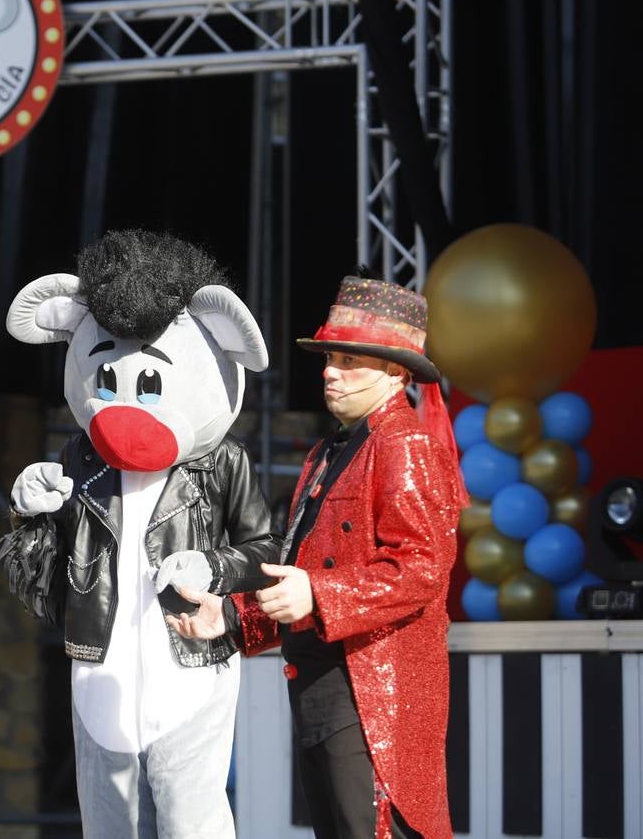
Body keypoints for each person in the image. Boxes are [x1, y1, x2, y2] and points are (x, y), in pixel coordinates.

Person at [0, 230, 278, 838]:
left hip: (191, 659)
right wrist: (30, 516)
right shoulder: (80, 457)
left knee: (189, 817)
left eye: (148, 386)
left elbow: (267, 550)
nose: (124, 408)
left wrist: (213, 568)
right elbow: (43, 580)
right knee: (109, 823)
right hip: (100, 663)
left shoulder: (222, 463)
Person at [165, 274, 467, 839]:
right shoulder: (330, 451)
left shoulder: (404, 444)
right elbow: (301, 572)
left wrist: (319, 593)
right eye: (331, 356)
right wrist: (231, 618)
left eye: (351, 360)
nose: (330, 371)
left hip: (376, 691)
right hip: (327, 684)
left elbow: (423, 569)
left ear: (396, 373)